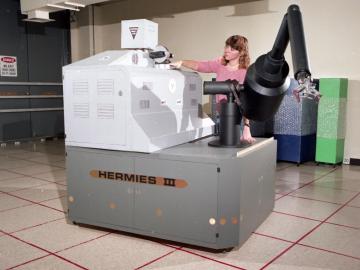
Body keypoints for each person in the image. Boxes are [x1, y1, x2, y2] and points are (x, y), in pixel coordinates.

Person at [170, 35, 256, 144]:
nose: (226, 50)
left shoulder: (244, 72)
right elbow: (200, 65)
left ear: (241, 52)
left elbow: (246, 102)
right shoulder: (220, 64)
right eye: (226, 46)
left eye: (232, 48)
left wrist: (246, 127)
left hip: (237, 119)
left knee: (234, 151)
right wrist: (182, 62)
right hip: (220, 116)